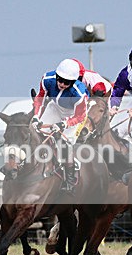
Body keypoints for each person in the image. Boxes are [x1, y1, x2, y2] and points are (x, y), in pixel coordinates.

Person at [32, 58, 89, 193]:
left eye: (66, 82)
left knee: (64, 143)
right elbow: (40, 98)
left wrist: (65, 124)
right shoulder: (47, 79)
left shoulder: (79, 93)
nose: (62, 84)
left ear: (73, 82)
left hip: (73, 115)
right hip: (55, 107)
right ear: (56, 75)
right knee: (38, 132)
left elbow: (80, 116)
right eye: (60, 80)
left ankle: (70, 179)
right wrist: (35, 117)